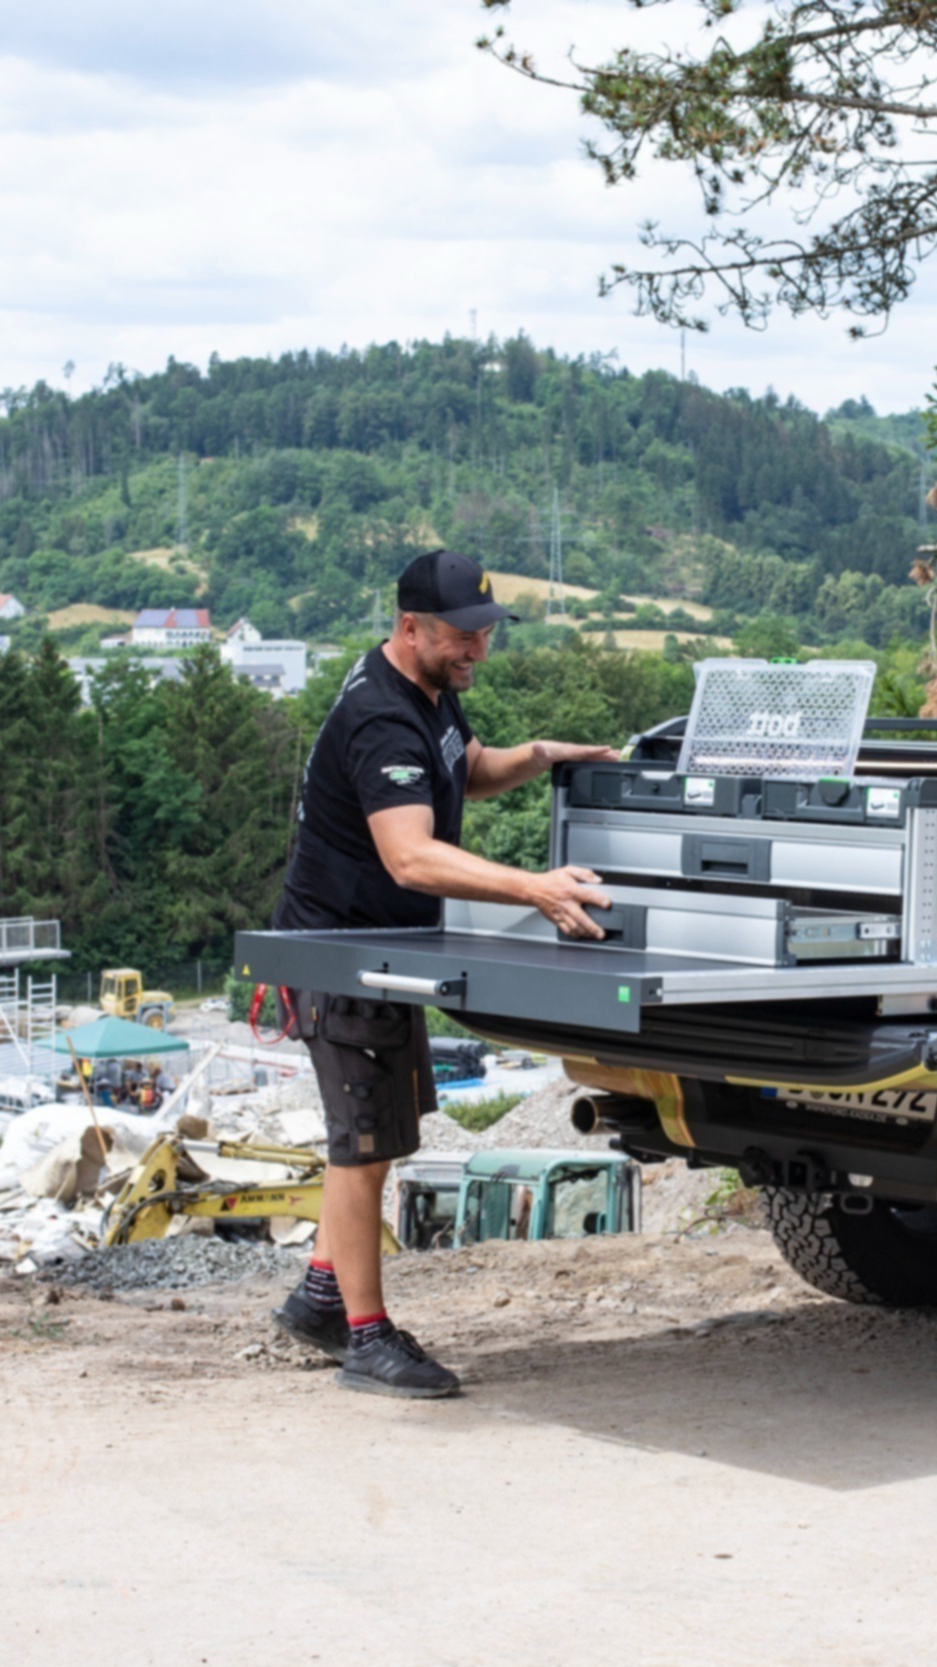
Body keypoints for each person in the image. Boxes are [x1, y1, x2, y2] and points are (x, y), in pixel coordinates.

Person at [268, 549, 618, 1398]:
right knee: (360, 1150)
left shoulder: (429, 693)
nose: (478, 652)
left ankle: (322, 1296)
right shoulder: (381, 718)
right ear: (410, 625)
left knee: (379, 1138)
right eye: (463, 636)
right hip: (340, 954)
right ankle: (366, 1338)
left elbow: (466, 768)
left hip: (380, 953)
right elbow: (411, 855)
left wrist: (541, 753)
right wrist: (531, 887)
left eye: (486, 634)